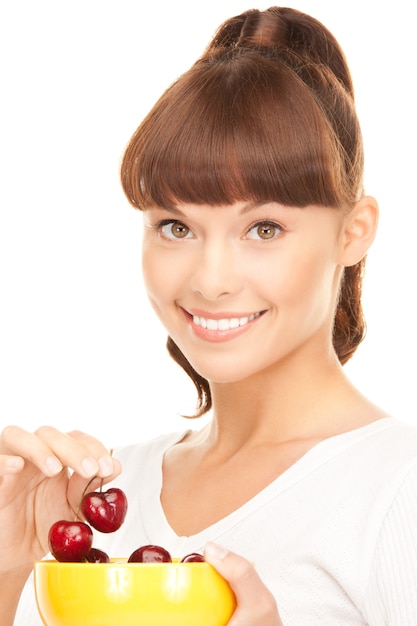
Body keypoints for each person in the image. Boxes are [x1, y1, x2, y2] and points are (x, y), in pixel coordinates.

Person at [2, 6, 417, 625]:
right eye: (175, 226)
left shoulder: (396, 490)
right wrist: (9, 569)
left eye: (264, 227)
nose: (210, 279)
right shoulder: (100, 498)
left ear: (355, 232)